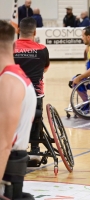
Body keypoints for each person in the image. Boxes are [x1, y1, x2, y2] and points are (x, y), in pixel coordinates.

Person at [0, 20, 36, 200]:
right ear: (14, 46)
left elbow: (4, 144)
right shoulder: (14, 76)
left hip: (7, 169)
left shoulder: (10, 82)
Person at [14, 17, 50, 165]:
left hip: (13, 93)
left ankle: (15, 148)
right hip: (35, 93)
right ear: (35, 32)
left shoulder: (10, 47)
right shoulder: (42, 49)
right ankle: (35, 149)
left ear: (18, 30)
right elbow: (45, 68)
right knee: (36, 115)